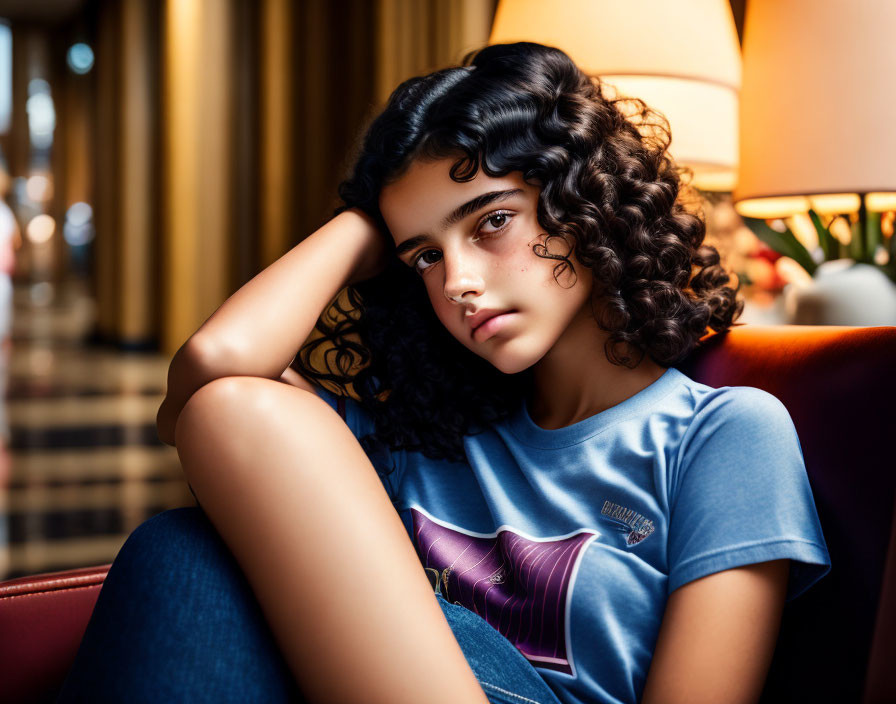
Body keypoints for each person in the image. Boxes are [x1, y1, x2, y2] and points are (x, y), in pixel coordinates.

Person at [57, 42, 830, 704]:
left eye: (491, 221)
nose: (456, 280)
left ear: (582, 200)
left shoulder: (723, 435)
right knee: (179, 548)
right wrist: (360, 228)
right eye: (424, 256)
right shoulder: (420, 434)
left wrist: (406, 223)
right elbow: (208, 380)